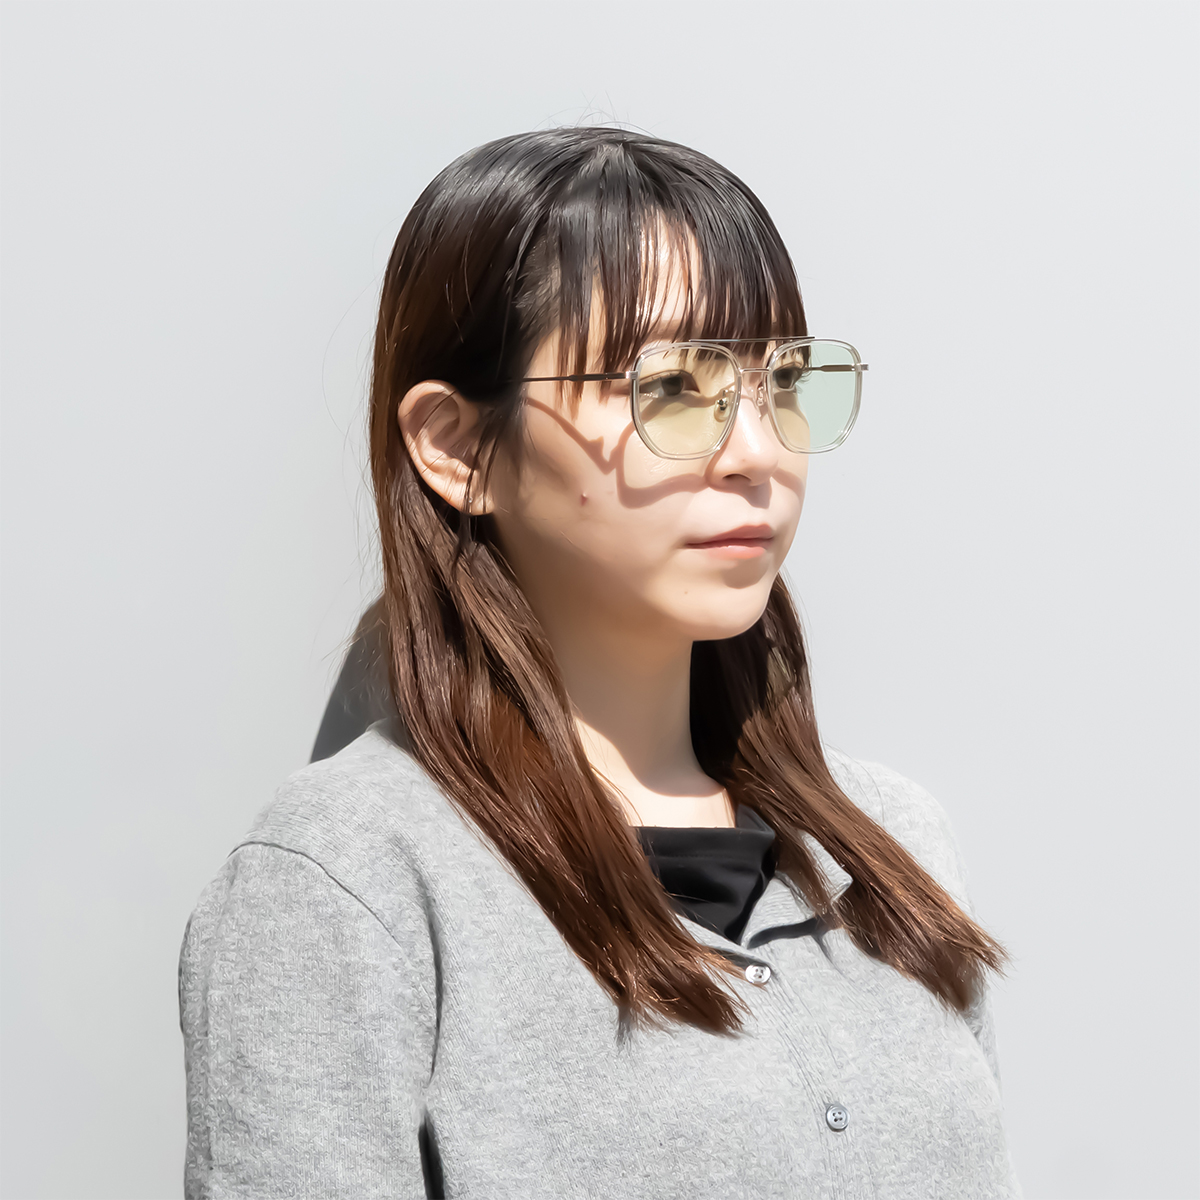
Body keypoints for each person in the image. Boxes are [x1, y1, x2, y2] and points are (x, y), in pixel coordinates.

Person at [178, 127, 1021, 1199]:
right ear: (457, 447)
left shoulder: (893, 843)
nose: (756, 453)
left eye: (783, 382)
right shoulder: (350, 878)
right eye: (674, 389)